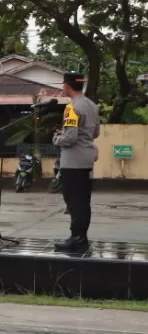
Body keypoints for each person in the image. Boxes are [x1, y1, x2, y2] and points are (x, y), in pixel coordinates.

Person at [55, 71, 101, 251]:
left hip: (72, 161)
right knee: (83, 200)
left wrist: (57, 138)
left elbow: (70, 138)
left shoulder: (72, 108)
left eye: (63, 85)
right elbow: (95, 133)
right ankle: (81, 236)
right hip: (87, 159)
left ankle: (76, 237)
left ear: (67, 85)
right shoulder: (91, 105)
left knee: (73, 200)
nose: (63, 87)